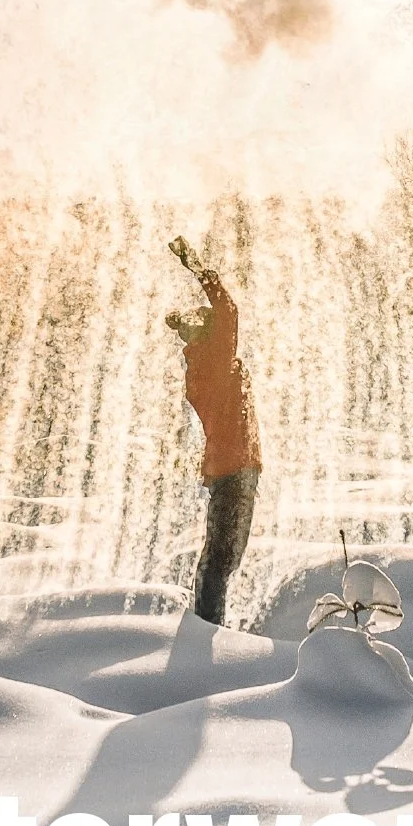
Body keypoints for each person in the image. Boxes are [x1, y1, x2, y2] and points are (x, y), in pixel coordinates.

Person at [165, 236, 263, 625]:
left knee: (219, 556)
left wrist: (184, 323)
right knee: (223, 557)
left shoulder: (200, 366)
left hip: (227, 468)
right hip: (236, 468)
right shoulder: (216, 359)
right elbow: (228, 308)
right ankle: (208, 631)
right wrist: (194, 264)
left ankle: (206, 625)